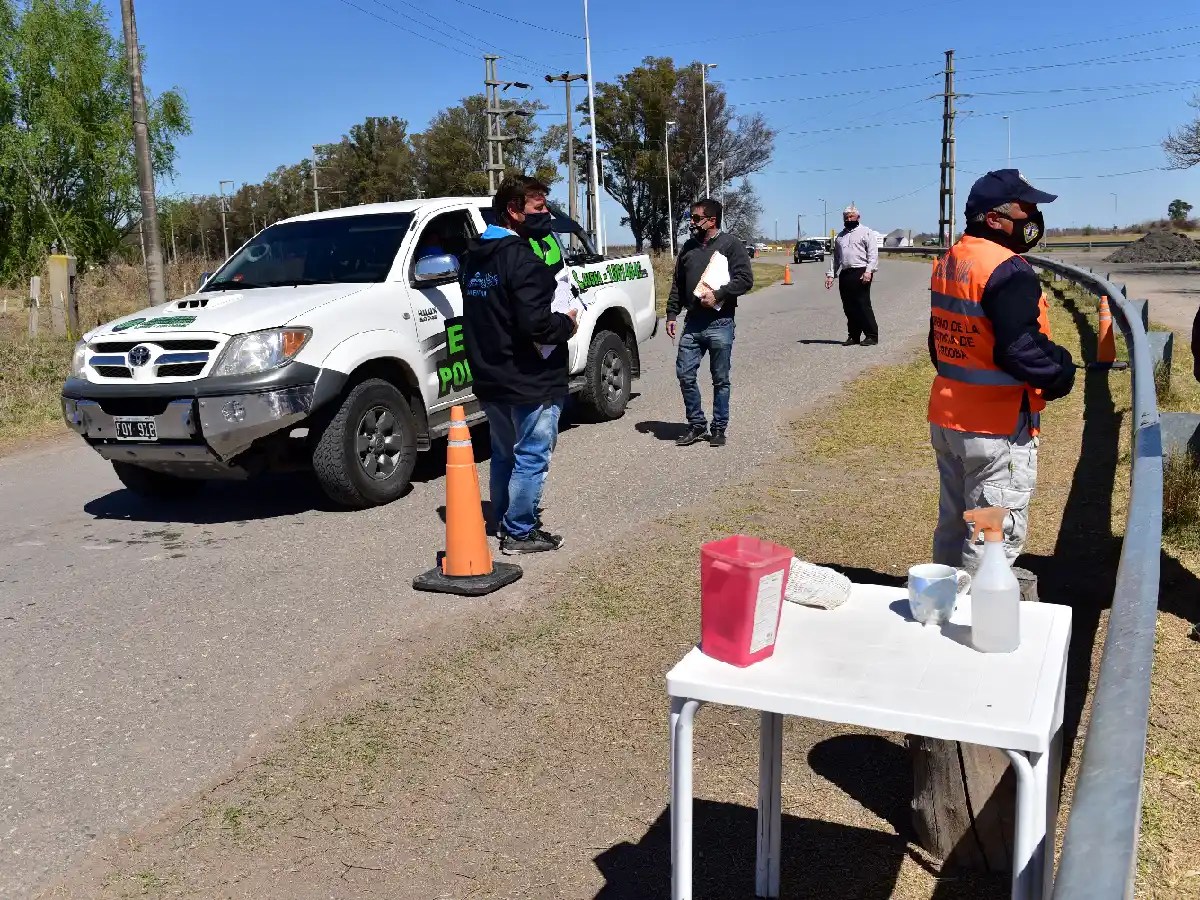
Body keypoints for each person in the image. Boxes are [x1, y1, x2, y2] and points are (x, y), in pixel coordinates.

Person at [929, 169, 1077, 573]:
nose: (1033, 219)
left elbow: (938, 341)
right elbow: (1020, 349)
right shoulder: (1007, 269)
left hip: (950, 416)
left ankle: (940, 610)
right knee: (990, 534)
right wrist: (1062, 370)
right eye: (1025, 209)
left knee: (955, 524)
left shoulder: (952, 259)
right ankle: (977, 624)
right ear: (994, 219)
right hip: (995, 427)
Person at [459, 176, 579, 555]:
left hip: (490, 372)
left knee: (504, 452)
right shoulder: (521, 258)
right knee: (531, 454)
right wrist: (568, 322)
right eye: (539, 209)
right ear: (513, 211)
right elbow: (537, 325)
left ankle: (502, 519)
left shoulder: (473, 254)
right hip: (530, 376)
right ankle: (520, 531)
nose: (547, 215)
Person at [665, 199, 754, 448]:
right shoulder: (688, 248)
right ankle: (696, 425)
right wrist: (671, 314)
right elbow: (677, 285)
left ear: (711, 221)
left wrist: (719, 294)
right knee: (684, 374)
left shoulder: (730, 245)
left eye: (695, 218)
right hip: (692, 323)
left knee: (720, 379)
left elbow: (745, 279)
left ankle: (718, 428)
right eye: (690, 217)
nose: (691, 222)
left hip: (720, 322)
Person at [824, 205, 880, 346]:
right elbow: (836, 258)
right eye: (846, 217)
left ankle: (872, 335)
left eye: (851, 217)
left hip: (861, 271)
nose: (848, 219)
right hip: (846, 273)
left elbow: (873, 254)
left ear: (857, 217)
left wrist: (869, 271)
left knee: (862, 304)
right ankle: (854, 336)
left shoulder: (866, 232)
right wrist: (831, 275)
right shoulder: (840, 236)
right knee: (848, 307)